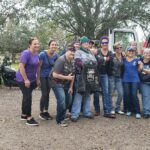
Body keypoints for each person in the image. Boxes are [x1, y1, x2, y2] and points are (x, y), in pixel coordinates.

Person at [71, 36, 98, 122]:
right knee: (78, 94)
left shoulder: (90, 53)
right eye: (85, 42)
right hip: (80, 75)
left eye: (87, 42)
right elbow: (78, 62)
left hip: (90, 75)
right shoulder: (78, 52)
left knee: (87, 94)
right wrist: (89, 63)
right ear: (81, 44)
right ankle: (75, 114)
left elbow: (95, 62)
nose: (86, 44)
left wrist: (88, 63)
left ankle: (86, 112)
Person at [49, 44, 75, 127]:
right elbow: (54, 75)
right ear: (67, 51)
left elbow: (72, 76)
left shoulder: (73, 61)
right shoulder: (61, 60)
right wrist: (66, 77)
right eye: (71, 53)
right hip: (55, 82)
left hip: (66, 83)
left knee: (69, 100)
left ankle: (63, 114)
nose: (72, 55)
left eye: (74, 54)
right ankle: (60, 120)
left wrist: (71, 87)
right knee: (62, 100)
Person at [16, 37, 40, 126]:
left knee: (26, 97)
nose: (37, 45)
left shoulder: (36, 53)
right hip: (22, 79)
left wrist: (37, 79)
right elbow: (21, 67)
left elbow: (37, 67)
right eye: (35, 44)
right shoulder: (26, 53)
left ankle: (23, 115)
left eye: (38, 43)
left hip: (32, 79)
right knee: (28, 97)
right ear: (30, 45)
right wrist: (26, 80)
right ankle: (29, 118)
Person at [38, 40, 58, 120]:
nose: (54, 46)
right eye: (52, 44)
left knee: (48, 94)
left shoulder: (56, 55)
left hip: (50, 77)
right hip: (42, 76)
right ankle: (41, 112)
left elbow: (57, 64)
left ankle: (46, 111)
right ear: (49, 45)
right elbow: (38, 67)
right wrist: (38, 79)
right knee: (44, 93)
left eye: (55, 45)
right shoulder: (43, 54)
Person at [96, 36, 115, 118]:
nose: (104, 44)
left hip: (107, 74)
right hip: (98, 74)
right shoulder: (97, 52)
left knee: (107, 92)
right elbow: (98, 60)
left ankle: (107, 110)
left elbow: (109, 59)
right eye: (103, 43)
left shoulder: (110, 53)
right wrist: (104, 59)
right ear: (101, 44)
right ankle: (101, 110)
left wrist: (102, 59)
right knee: (97, 92)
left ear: (108, 43)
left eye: (106, 43)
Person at [122, 47, 142, 119]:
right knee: (127, 95)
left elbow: (139, 70)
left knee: (134, 95)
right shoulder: (123, 59)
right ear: (127, 52)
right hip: (125, 79)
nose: (131, 52)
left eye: (132, 51)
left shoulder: (137, 60)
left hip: (135, 79)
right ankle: (129, 110)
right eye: (129, 51)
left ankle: (138, 112)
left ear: (134, 52)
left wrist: (140, 65)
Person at [110, 42, 124, 114]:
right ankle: (111, 108)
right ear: (114, 49)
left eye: (120, 47)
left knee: (121, 93)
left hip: (119, 77)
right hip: (112, 76)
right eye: (117, 48)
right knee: (111, 93)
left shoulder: (123, 56)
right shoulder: (112, 56)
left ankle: (117, 108)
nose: (119, 49)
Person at [139, 48, 150, 118]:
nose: (147, 54)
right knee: (145, 96)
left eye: (149, 53)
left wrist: (142, 69)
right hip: (144, 82)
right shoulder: (140, 61)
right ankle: (146, 112)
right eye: (146, 53)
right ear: (143, 54)